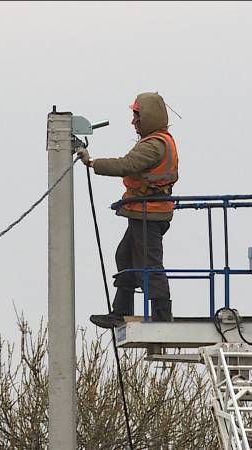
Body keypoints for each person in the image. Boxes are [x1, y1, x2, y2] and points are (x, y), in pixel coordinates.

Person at [77, 92, 179, 329]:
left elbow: (127, 165)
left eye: (137, 117)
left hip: (149, 212)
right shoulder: (158, 142)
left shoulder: (154, 145)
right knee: (126, 256)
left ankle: (161, 314)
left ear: (148, 117)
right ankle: (122, 311)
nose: (133, 122)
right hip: (145, 210)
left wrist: (92, 163)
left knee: (149, 263)